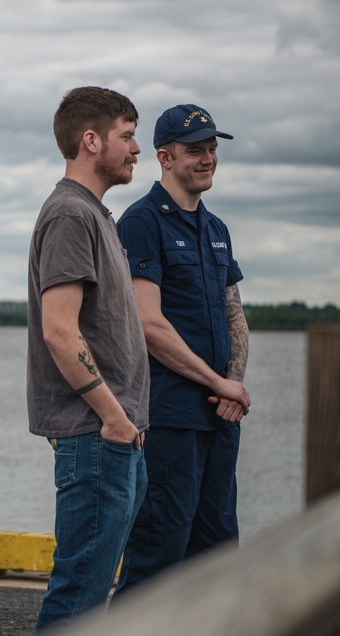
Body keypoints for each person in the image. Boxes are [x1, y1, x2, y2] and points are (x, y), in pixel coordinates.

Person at [112, 103, 251, 601]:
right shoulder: (140, 222)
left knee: (215, 554)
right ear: (164, 157)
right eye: (196, 150)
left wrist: (232, 387)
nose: (208, 158)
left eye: (213, 148)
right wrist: (218, 384)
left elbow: (235, 316)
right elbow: (149, 325)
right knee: (158, 556)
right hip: (169, 419)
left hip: (219, 419)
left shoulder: (216, 230)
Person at [26, 86, 151, 636]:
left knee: (91, 594)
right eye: (127, 135)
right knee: (79, 597)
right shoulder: (71, 215)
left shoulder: (95, 216)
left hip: (112, 435)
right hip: (97, 435)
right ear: (91, 139)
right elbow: (59, 330)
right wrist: (114, 417)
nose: (137, 149)